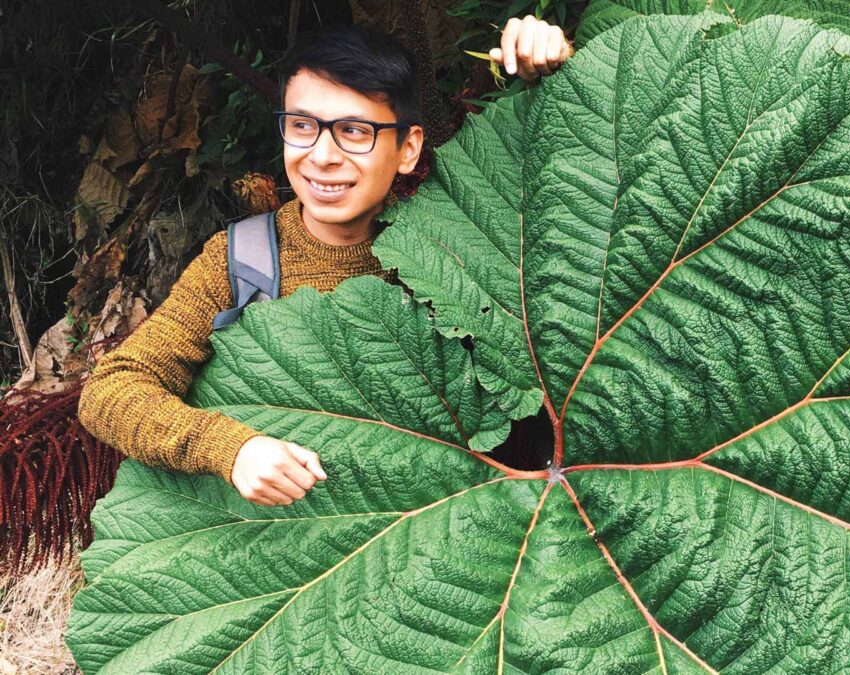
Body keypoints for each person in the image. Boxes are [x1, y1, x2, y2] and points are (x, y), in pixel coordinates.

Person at [77, 17, 574, 507]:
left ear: (408, 148)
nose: (322, 155)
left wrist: (555, 72)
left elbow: (568, 212)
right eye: (302, 126)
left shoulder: (452, 243)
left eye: (355, 131)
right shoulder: (242, 261)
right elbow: (112, 389)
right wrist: (233, 450)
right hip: (304, 541)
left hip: (446, 528)